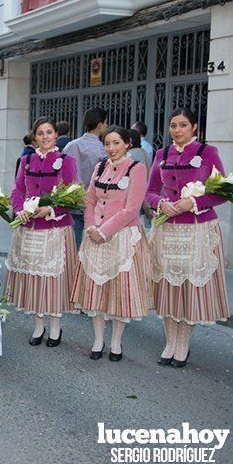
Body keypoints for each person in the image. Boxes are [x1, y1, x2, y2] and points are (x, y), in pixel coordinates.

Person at [145, 108, 229, 368]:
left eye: (183, 125)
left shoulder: (208, 153)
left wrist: (191, 202)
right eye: (173, 125)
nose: (177, 130)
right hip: (166, 231)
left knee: (189, 289)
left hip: (197, 229)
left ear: (194, 128)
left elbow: (223, 191)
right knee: (169, 289)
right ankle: (170, 342)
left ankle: (183, 344)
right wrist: (161, 204)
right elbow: (149, 192)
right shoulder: (161, 154)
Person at [70, 126, 152, 362]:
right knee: (96, 291)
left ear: (127, 143)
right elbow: (90, 200)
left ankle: (116, 342)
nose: (111, 148)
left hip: (123, 237)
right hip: (95, 234)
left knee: (119, 292)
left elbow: (132, 208)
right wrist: (91, 227)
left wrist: (104, 231)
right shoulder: (100, 166)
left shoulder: (136, 169)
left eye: (116, 143)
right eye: (107, 143)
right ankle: (98, 339)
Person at [5, 116, 78, 348]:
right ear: (34, 137)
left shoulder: (66, 160)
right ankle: (38, 325)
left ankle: (55, 326)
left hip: (55, 228)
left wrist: (49, 209)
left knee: (53, 280)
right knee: (34, 278)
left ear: (56, 135)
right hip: (29, 228)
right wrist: (19, 210)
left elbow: (72, 195)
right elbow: (17, 190)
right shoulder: (26, 161)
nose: (45, 137)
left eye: (49, 132)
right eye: (40, 133)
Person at [63, 107, 108, 247]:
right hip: (94, 207)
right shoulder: (103, 150)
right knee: (92, 251)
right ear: (100, 125)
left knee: (71, 249)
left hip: (72, 203)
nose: (106, 126)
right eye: (105, 123)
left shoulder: (70, 146)